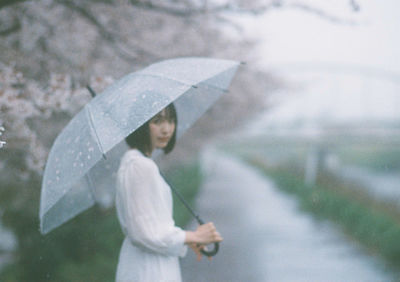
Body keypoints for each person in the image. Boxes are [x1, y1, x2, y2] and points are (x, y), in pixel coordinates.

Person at [115, 103, 223, 282]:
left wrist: (187, 241)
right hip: (148, 269)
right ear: (140, 124)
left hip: (149, 263)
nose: (166, 129)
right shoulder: (140, 166)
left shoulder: (136, 163)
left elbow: (152, 227)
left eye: (171, 121)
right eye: (157, 121)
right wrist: (192, 236)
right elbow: (143, 233)